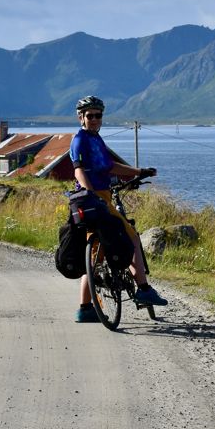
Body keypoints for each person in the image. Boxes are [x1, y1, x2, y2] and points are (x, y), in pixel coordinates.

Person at [70, 95, 168, 322]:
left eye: (98, 115)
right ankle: (143, 289)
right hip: (95, 198)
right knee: (131, 237)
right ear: (81, 118)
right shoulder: (81, 140)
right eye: (90, 115)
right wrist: (91, 192)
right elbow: (78, 170)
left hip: (90, 199)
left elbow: (111, 166)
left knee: (94, 256)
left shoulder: (96, 140)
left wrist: (138, 171)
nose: (95, 119)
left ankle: (85, 310)